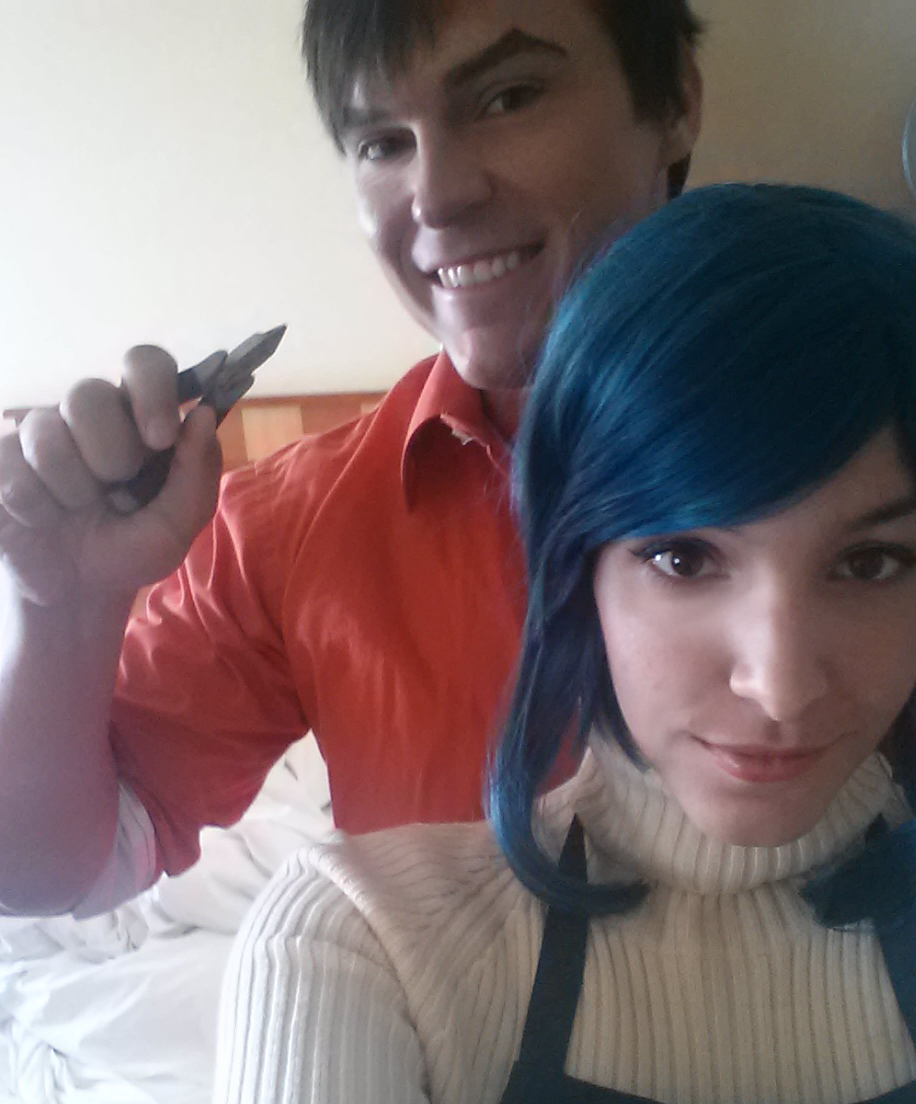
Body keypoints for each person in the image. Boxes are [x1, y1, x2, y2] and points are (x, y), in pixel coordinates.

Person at [161, 185, 916, 1104]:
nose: (778, 685)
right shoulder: (365, 940)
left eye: (869, 562)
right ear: (575, 570)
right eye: (683, 556)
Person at [0, 0, 704, 917]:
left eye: (508, 97)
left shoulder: (867, 448)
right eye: (381, 143)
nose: (436, 196)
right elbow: (45, 874)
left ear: (674, 103)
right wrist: (63, 613)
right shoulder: (290, 525)